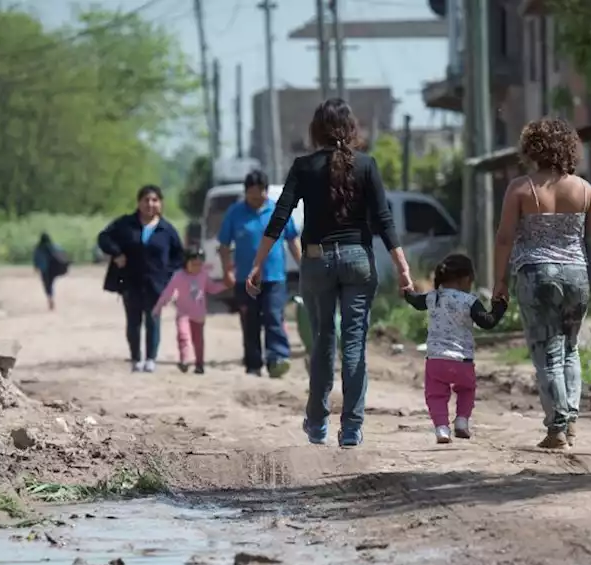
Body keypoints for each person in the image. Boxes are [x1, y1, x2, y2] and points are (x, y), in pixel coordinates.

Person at [246, 98, 415, 448]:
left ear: (316, 130)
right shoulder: (367, 166)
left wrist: (258, 263)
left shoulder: (304, 167)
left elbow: (280, 217)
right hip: (358, 260)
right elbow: (384, 221)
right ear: (351, 129)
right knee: (354, 344)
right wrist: (403, 268)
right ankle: (351, 428)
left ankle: (317, 422)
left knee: (323, 339)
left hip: (316, 260)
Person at [492, 117, 591, 450]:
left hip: (536, 275)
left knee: (547, 352)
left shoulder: (520, 188)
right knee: (570, 349)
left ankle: (557, 429)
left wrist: (499, 281)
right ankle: (571, 423)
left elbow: (505, 238)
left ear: (532, 148)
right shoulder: (585, 190)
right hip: (576, 276)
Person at [403, 254, 507, 444]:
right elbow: (488, 322)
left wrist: (407, 292)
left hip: (436, 361)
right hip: (463, 361)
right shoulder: (469, 301)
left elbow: (416, 302)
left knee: (435, 395)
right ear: (466, 279)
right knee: (467, 390)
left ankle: (442, 428)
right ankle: (461, 421)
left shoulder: (433, 297)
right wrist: (500, 306)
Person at [218, 170, 301, 378]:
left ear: (266, 191)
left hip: (274, 277)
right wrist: (227, 270)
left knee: (274, 317)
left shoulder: (278, 210)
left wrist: (303, 265)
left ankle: (277, 359)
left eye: (260, 192)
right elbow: (225, 244)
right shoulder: (235, 213)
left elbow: (292, 240)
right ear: (246, 192)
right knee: (250, 321)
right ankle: (253, 364)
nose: (256, 197)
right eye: (252, 193)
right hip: (245, 280)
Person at [98, 185, 185, 372]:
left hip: (156, 283)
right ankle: (136, 358)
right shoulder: (125, 224)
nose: (150, 204)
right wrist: (116, 254)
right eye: (146, 200)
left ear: (160, 204)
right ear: (139, 203)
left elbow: (179, 256)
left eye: (154, 200)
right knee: (133, 321)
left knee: (153, 320)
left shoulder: (167, 230)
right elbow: (104, 238)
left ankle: (151, 359)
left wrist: (168, 274)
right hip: (131, 280)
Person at [152, 248, 228, 374]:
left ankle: (199, 363)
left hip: (199, 314)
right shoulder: (178, 276)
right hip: (183, 313)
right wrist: (158, 307)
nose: (197, 267)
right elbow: (168, 292)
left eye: (199, 264)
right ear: (186, 262)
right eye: (193, 264)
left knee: (198, 340)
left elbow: (211, 288)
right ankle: (184, 361)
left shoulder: (203, 275)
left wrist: (225, 285)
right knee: (183, 336)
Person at [33, 232, 70, 311]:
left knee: (47, 285)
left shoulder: (39, 248)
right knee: (51, 283)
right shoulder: (54, 246)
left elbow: (36, 258)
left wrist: (36, 267)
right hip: (53, 269)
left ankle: (50, 297)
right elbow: (63, 255)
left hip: (45, 269)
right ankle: (51, 297)